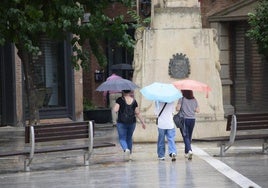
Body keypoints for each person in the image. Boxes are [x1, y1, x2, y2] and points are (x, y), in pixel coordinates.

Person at [113, 90, 146, 160]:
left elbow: (115, 110)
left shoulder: (120, 100)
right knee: (129, 138)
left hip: (121, 122)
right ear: (130, 92)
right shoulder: (134, 101)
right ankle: (130, 154)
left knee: (122, 138)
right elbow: (137, 113)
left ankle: (125, 149)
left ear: (122, 91)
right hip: (132, 122)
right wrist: (143, 122)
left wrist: (115, 107)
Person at [176, 90, 199, 160]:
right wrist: (191, 109)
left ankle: (189, 150)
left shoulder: (181, 99)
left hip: (184, 120)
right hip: (192, 119)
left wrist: (177, 107)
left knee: (185, 136)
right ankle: (186, 152)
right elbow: (198, 110)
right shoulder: (194, 100)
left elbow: (177, 109)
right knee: (189, 136)